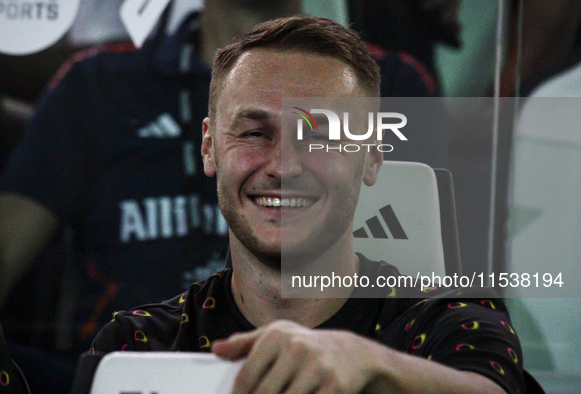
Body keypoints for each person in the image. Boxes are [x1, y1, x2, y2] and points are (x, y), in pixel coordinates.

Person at [73, 16, 524, 393]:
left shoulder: (451, 322)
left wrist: (368, 364)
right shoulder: (139, 346)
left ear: (371, 158)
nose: (284, 166)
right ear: (209, 147)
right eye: (254, 133)